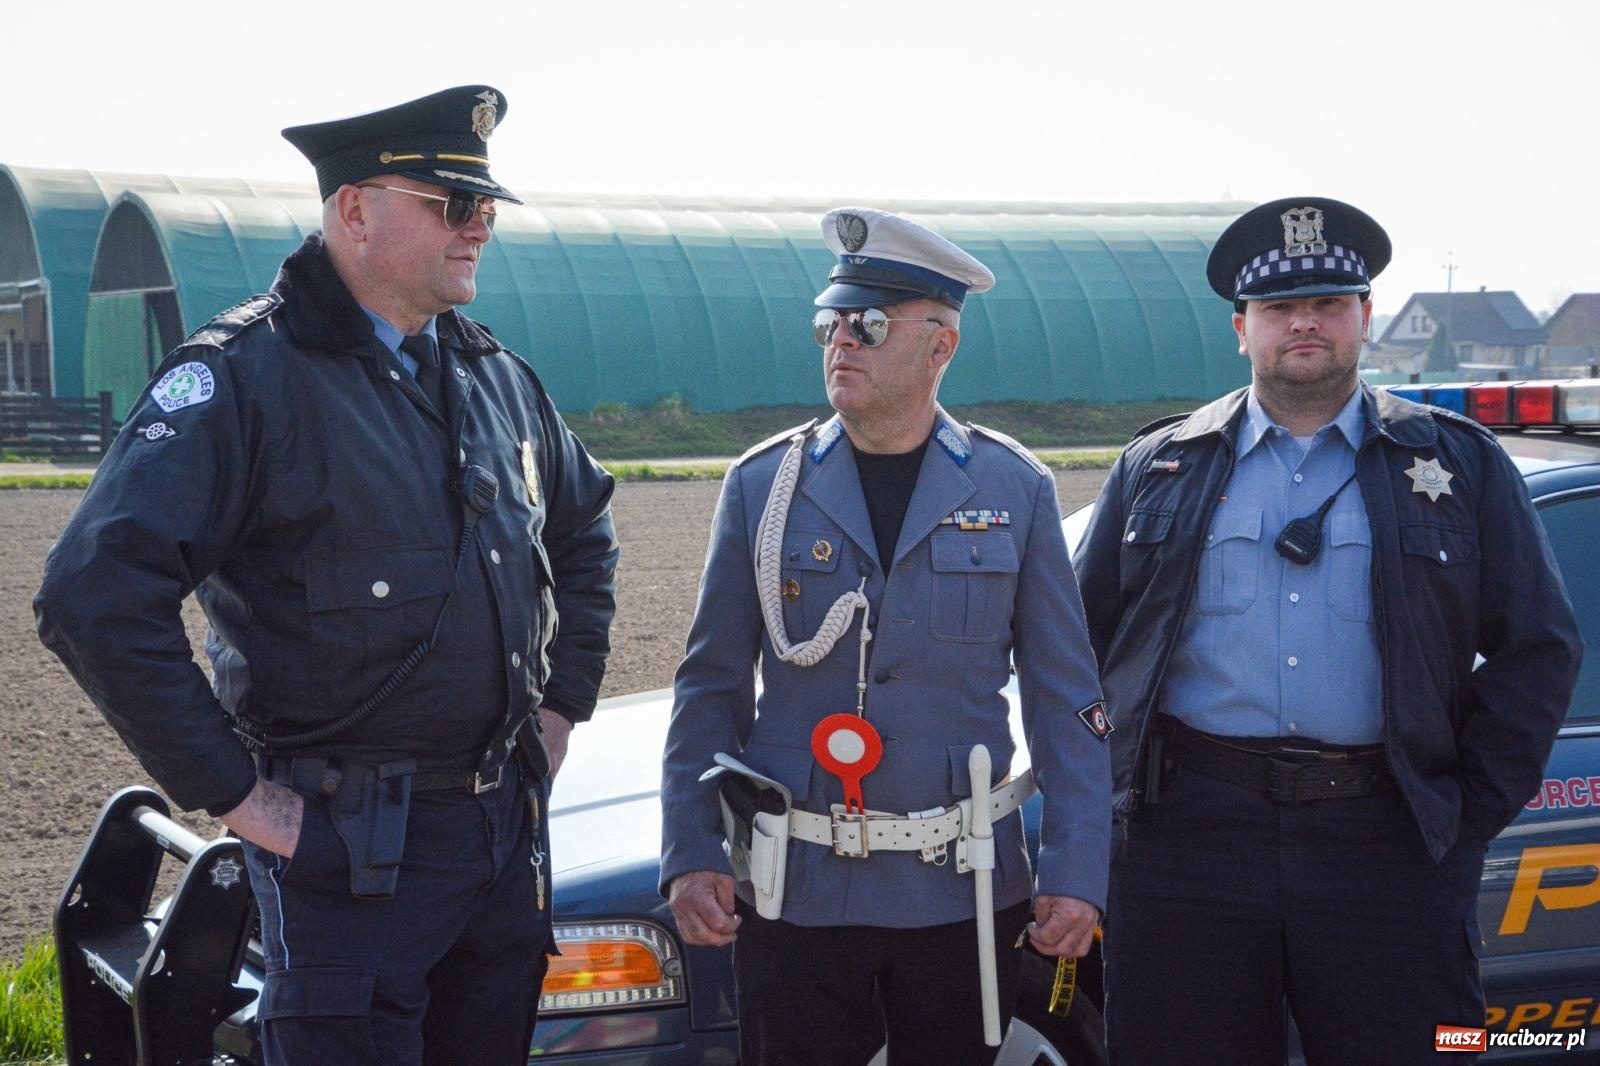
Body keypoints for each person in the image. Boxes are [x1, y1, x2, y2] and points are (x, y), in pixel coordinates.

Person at [35, 86, 619, 1066]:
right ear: (354, 209)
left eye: (484, 208)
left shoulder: (496, 378)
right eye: (449, 205)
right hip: (350, 855)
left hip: (498, 846)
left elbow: (584, 533)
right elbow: (93, 595)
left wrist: (560, 710)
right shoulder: (244, 380)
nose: (478, 229)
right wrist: (241, 800)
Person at [1072, 196, 1583, 1065]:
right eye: (1278, 308)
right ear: (1242, 329)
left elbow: (1539, 648)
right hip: (1188, 841)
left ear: (1366, 319)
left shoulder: (1459, 465)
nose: (1303, 324)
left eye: (1328, 304)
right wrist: (1103, 822)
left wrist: (1463, 822)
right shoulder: (1161, 465)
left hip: (1385, 841)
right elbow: (1078, 654)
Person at [660, 206, 1111, 1065]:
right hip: (797, 892)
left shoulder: (1012, 487)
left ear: (940, 347)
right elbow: (709, 685)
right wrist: (689, 849)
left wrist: (1076, 869)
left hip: (961, 893)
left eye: (868, 325)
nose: (842, 343)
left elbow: (1067, 696)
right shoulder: (766, 485)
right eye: (830, 322)